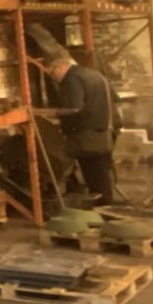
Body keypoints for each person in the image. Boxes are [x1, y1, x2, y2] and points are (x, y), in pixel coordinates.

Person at [44, 55, 119, 204]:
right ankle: (107, 206)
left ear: (61, 67)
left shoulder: (72, 79)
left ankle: (103, 209)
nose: (54, 78)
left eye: (53, 73)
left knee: (93, 176)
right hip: (104, 132)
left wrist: (54, 113)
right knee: (102, 175)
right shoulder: (94, 75)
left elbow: (74, 107)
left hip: (86, 137)